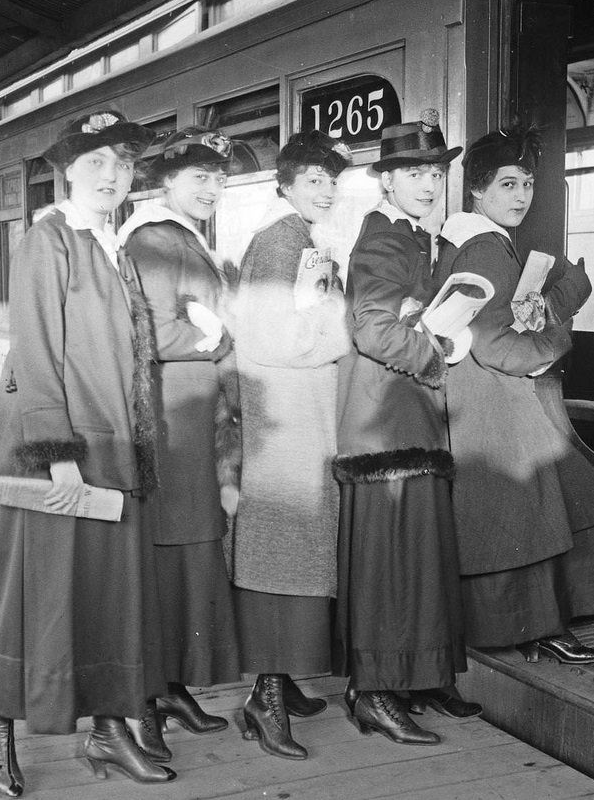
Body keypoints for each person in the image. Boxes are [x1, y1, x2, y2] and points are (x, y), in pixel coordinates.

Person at [0, 110, 173, 796]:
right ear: (67, 171)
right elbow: (34, 352)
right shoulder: (48, 240)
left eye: (121, 162)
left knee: (108, 594)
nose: (111, 174)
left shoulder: (110, 245)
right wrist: (58, 455)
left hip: (110, 446)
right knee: (33, 595)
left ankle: (110, 732)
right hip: (53, 452)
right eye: (96, 163)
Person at [432, 126, 594, 667]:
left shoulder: (468, 239)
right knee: (528, 516)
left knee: (543, 506)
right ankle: (538, 628)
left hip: (478, 398)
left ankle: (541, 622)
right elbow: (498, 345)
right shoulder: (484, 248)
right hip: (493, 397)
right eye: (508, 184)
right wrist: (559, 324)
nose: (522, 196)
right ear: (478, 191)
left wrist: (545, 304)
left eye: (527, 184)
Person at [333, 109, 477, 747]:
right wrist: (439, 353)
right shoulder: (385, 241)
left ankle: (420, 677)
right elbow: (371, 327)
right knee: (391, 561)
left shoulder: (425, 239)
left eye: (434, 172)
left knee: (417, 555)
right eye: (411, 172)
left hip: (412, 419)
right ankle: (375, 691)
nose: (426, 182)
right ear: (386, 182)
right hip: (386, 422)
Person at [119, 126, 245, 761]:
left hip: (194, 418)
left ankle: (169, 686)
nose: (212, 187)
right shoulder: (154, 241)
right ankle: (148, 694)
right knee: (170, 552)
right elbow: (156, 336)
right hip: (173, 419)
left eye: (219, 177)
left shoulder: (179, 238)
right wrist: (223, 340)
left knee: (187, 550)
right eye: (199, 176)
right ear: (166, 182)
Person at [230, 131, 353, 760]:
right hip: (287, 417)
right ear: (285, 186)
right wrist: (342, 334)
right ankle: (266, 696)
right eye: (313, 180)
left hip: (296, 416)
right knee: (286, 546)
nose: (326, 191)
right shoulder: (283, 243)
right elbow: (280, 339)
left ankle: (282, 681)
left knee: (298, 544)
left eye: (332, 181)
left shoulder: (297, 238)